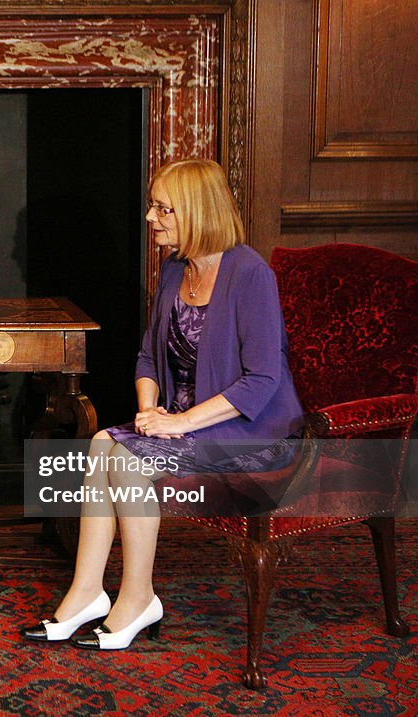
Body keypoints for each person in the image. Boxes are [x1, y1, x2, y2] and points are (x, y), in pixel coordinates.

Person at [20, 159, 303, 650]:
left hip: (248, 428)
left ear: (196, 212)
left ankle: (137, 597)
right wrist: (150, 413)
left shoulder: (250, 275)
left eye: (162, 208)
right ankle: (87, 593)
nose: (150, 217)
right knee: (104, 442)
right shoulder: (176, 269)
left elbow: (262, 380)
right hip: (185, 419)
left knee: (127, 458)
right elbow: (150, 354)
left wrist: (181, 422)